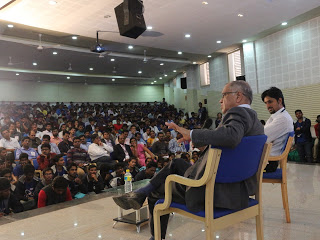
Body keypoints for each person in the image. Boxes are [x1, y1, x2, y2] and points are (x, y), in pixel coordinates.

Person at [113, 81, 264, 240]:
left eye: (223, 95)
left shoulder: (237, 114)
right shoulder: (254, 119)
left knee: (157, 192)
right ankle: (140, 192)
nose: (220, 100)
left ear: (238, 96)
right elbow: (229, 147)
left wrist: (192, 134)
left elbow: (231, 137)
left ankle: (154, 232)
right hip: (236, 191)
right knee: (176, 163)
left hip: (213, 192)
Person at [261, 87, 294, 172]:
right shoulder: (278, 116)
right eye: (265, 103)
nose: (267, 106)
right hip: (266, 159)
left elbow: (262, 137)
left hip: (268, 162)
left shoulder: (282, 118)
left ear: (279, 101)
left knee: (237, 167)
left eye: (270, 102)